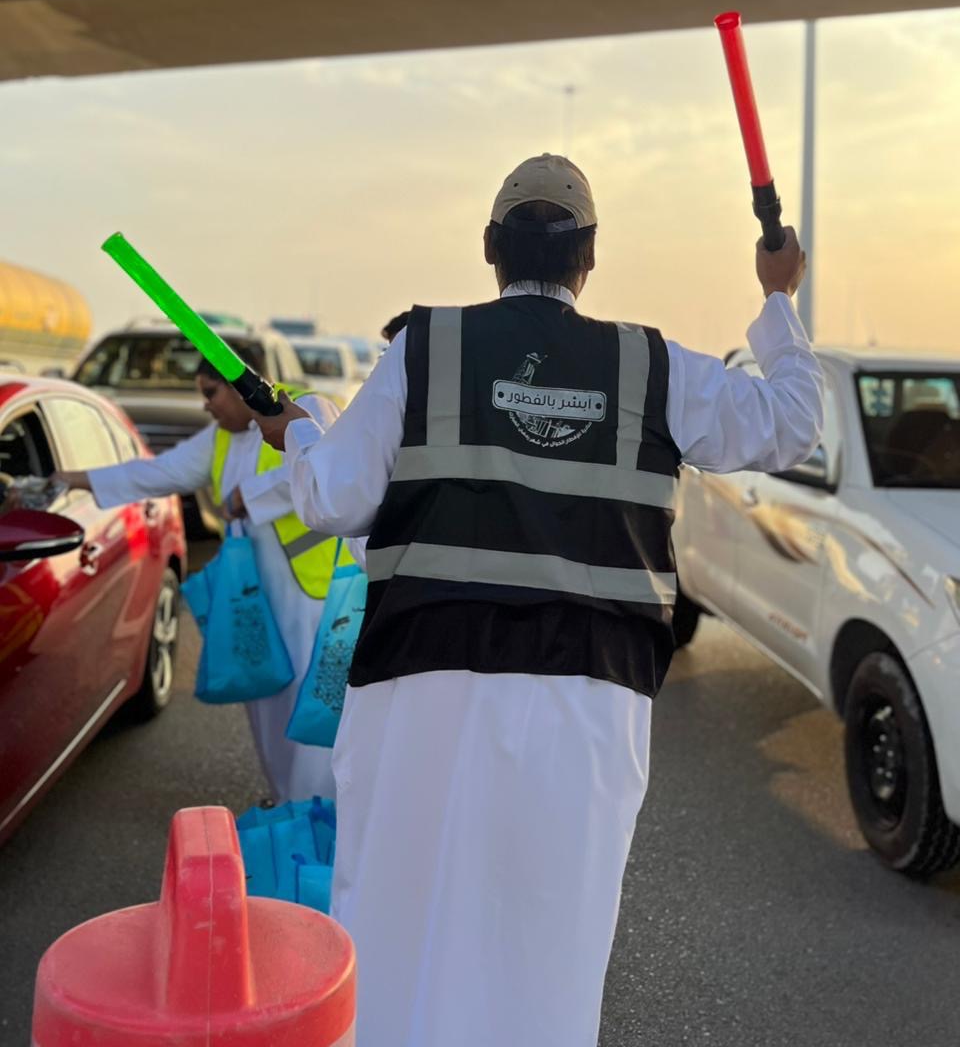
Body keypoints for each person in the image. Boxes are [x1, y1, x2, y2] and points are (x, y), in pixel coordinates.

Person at [253, 154, 824, 1047]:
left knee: (402, 925)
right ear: (589, 257)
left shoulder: (423, 348)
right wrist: (779, 296)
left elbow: (332, 499)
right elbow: (792, 421)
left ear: (490, 247)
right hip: (590, 699)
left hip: (422, 684)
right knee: (548, 945)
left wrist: (303, 433)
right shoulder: (652, 366)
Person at [54, 356, 355, 804]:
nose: (206, 406)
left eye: (211, 393)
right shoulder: (221, 438)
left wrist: (248, 495)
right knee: (267, 707)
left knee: (312, 709)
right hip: (256, 600)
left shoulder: (307, 407)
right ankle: (287, 806)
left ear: (238, 385)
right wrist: (72, 481)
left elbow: (331, 465)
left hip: (314, 599)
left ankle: (318, 813)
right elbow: (153, 473)